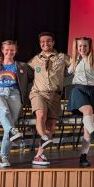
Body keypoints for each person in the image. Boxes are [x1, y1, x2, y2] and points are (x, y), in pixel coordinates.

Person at [0, 40, 34, 167]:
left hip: (15, 94)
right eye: (7, 50)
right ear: (2, 50)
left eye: (12, 50)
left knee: (8, 127)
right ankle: (13, 131)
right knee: (4, 112)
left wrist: (27, 92)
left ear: (16, 51)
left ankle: (4, 157)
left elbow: (33, 79)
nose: (9, 52)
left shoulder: (22, 66)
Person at [28, 32, 70, 166]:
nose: (45, 44)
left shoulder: (62, 57)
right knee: (40, 115)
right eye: (42, 42)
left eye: (48, 41)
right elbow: (24, 73)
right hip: (38, 93)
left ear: (53, 42)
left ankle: (39, 154)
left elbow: (78, 67)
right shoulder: (34, 60)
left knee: (51, 125)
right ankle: (45, 137)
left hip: (55, 95)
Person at [66, 37, 94, 167]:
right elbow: (68, 72)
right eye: (80, 46)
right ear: (76, 47)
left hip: (92, 91)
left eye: (85, 46)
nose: (82, 48)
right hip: (78, 89)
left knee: (87, 130)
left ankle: (83, 156)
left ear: (89, 47)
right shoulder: (73, 61)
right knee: (87, 110)